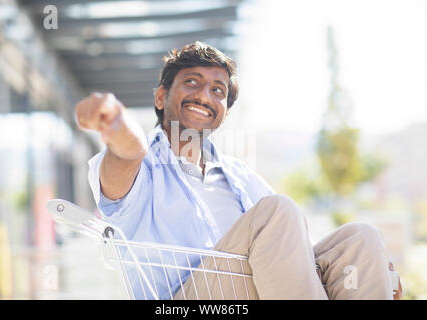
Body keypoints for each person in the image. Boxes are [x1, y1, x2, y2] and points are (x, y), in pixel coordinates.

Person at [75, 41, 402, 300]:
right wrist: (115, 121)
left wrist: (371, 274)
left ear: (223, 113)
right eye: (192, 82)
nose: (204, 96)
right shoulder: (143, 169)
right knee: (278, 210)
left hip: (257, 289)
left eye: (218, 91)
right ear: (161, 96)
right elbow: (127, 150)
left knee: (361, 239)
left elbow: (295, 252)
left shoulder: (242, 178)